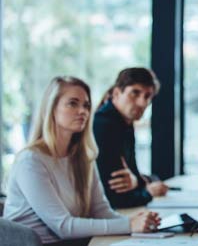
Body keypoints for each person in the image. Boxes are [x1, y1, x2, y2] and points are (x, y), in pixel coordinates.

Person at [3, 77, 159, 245]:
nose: (82, 111)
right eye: (73, 103)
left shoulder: (83, 157)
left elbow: (101, 211)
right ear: (52, 108)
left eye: (86, 105)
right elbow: (63, 226)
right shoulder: (30, 161)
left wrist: (137, 221)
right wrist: (128, 224)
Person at [94, 68, 169, 209]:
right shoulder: (104, 125)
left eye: (147, 96)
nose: (142, 103)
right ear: (116, 93)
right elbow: (116, 197)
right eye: (135, 93)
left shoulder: (125, 123)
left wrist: (138, 182)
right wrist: (148, 192)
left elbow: (133, 175)